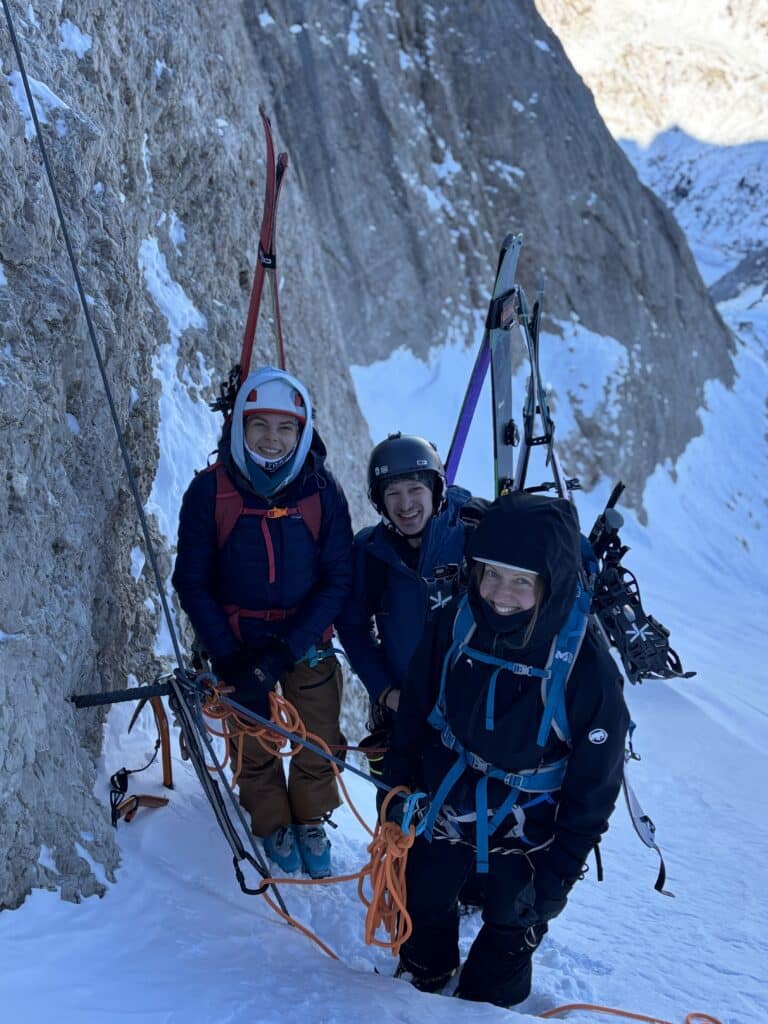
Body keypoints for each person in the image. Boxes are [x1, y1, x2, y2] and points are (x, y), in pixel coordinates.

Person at [381, 491, 629, 1008]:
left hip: (532, 818)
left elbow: (594, 787)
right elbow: (416, 711)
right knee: (422, 892)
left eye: (522, 581)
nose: (500, 594)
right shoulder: (457, 621)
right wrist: (397, 790)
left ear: (550, 582)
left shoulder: (585, 665)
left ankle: (487, 1005)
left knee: (514, 919)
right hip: (448, 792)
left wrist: (558, 878)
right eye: (492, 574)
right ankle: (423, 973)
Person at [172, 366, 353, 878]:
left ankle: (310, 818)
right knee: (251, 737)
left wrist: (284, 651)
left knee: (318, 734)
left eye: (285, 427)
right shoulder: (210, 492)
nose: (272, 439)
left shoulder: (321, 492)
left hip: (304, 642)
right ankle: (272, 820)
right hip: (238, 642)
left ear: (302, 431)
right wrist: (230, 658)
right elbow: (192, 581)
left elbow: (338, 578)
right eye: (259, 425)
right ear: (240, 426)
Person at [336, 433, 484, 763]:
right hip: (404, 714)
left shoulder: (474, 533)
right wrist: (386, 692)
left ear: (435, 489)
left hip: (475, 715)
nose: (405, 505)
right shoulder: (370, 553)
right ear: (380, 501)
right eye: (393, 493)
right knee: (400, 794)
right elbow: (352, 627)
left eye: (415, 489)